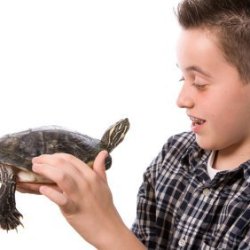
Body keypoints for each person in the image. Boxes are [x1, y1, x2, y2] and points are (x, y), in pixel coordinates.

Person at [17, 0, 250, 249]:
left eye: (200, 82)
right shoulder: (174, 155)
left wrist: (107, 229)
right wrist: (88, 208)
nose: (181, 100)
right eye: (183, 78)